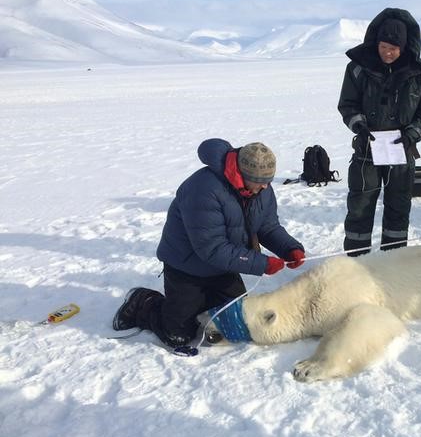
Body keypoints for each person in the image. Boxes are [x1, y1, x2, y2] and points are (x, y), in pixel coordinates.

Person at [112, 139, 305, 348]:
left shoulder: (260, 188)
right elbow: (212, 248)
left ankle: (203, 304)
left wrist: (290, 248)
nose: (266, 186)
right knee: (179, 336)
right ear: (243, 175)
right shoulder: (203, 189)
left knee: (235, 324)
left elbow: (267, 226)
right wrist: (262, 264)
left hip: (225, 266)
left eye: (269, 180)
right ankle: (143, 303)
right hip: (186, 267)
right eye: (261, 181)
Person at [338, 7, 421, 256]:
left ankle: (392, 263)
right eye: (384, 46)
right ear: (376, 42)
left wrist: (412, 134)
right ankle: (356, 262)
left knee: (398, 208)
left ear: (404, 47)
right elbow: (348, 104)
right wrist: (359, 125)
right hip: (367, 149)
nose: (387, 52)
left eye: (393, 48)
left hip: (401, 151)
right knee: (360, 207)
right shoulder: (357, 69)